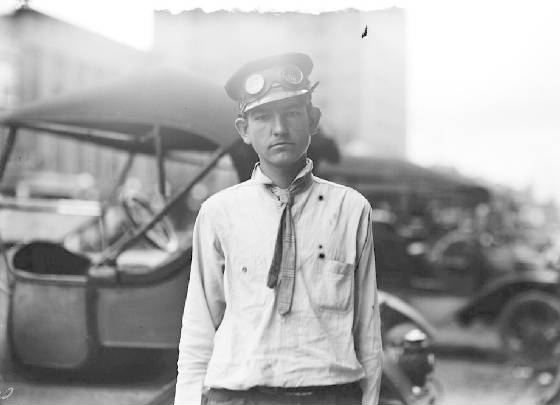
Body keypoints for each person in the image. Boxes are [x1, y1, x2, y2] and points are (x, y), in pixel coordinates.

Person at [175, 52, 383, 405]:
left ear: (313, 120)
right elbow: (199, 322)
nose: (279, 129)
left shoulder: (350, 209)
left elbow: (368, 329)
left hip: (328, 394)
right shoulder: (219, 212)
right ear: (244, 130)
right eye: (262, 116)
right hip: (239, 394)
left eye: (291, 113)